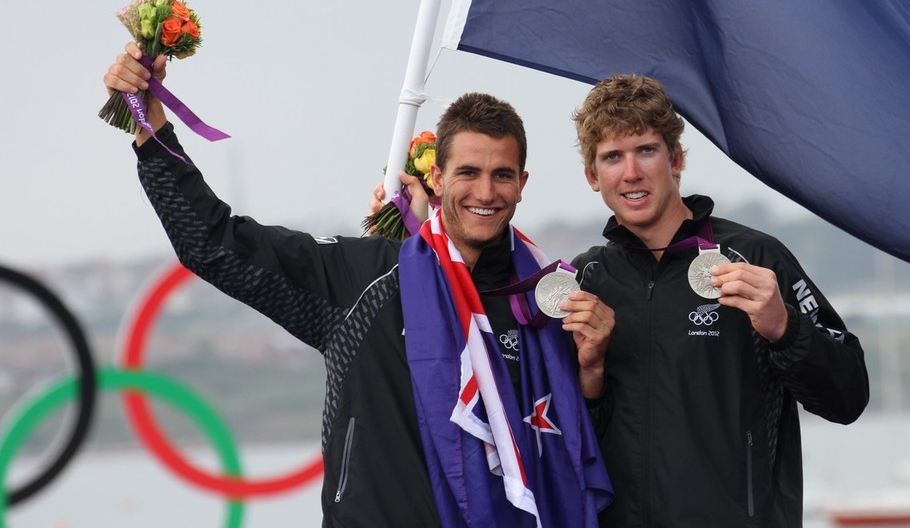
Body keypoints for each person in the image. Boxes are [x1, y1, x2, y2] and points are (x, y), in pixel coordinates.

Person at [102, 42, 614, 528]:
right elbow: (211, 245)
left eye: (502, 175)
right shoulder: (365, 277)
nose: (485, 192)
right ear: (435, 177)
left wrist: (592, 371)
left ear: (523, 183)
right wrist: (150, 124)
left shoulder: (545, 303)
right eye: (468, 172)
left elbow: (574, 451)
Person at [571, 74, 870, 527]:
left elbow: (848, 398)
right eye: (613, 157)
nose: (631, 172)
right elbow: (567, 446)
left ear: (676, 159)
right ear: (594, 176)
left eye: (646, 150)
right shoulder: (587, 280)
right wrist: (589, 376)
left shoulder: (755, 258)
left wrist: (784, 329)